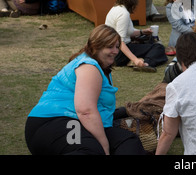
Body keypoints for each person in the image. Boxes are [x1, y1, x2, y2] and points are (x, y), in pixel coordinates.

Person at [25, 25, 147, 155]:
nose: (116, 51)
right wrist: (104, 146)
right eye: (110, 47)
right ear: (96, 46)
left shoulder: (101, 66)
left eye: (117, 47)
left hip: (77, 121)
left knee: (127, 141)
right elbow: (85, 111)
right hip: (55, 121)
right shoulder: (89, 67)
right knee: (90, 151)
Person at [105, 0, 167, 72]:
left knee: (148, 39)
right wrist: (135, 59)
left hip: (116, 49)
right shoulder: (123, 14)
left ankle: (137, 59)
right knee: (158, 48)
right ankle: (145, 63)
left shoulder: (117, 8)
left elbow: (125, 31)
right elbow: (120, 41)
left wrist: (142, 32)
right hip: (118, 53)